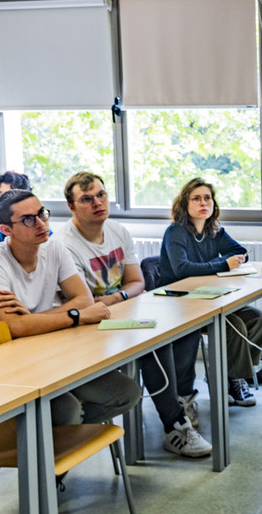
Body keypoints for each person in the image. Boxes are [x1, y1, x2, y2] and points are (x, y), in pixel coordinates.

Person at [53, 172, 211, 458]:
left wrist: (116, 297)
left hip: (118, 311)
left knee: (184, 328)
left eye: (101, 195)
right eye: (86, 199)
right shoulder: (64, 243)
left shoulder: (117, 231)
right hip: (86, 326)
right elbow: (83, 302)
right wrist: (119, 297)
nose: (97, 203)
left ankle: (181, 399)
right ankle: (175, 425)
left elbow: (137, 283)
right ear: (72, 207)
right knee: (152, 345)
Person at [0, 189, 141, 426]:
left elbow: (83, 299)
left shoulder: (54, 248)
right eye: (27, 219)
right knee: (66, 409)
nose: (40, 223)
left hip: (41, 352)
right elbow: (15, 327)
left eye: (41, 214)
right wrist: (75, 316)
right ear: (6, 230)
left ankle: (58, 435)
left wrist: (32, 320)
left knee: (126, 393)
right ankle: (51, 442)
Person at [159, 178, 262, 407]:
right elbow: (182, 269)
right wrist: (223, 265)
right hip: (181, 305)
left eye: (207, 198)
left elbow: (240, 251)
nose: (203, 203)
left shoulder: (214, 231)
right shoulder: (175, 233)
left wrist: (237, 259)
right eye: (196, 198)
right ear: (184, 204)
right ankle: (226, 379)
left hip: (209, 301)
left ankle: (232, 377)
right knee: (235, 325)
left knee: (257, 319)